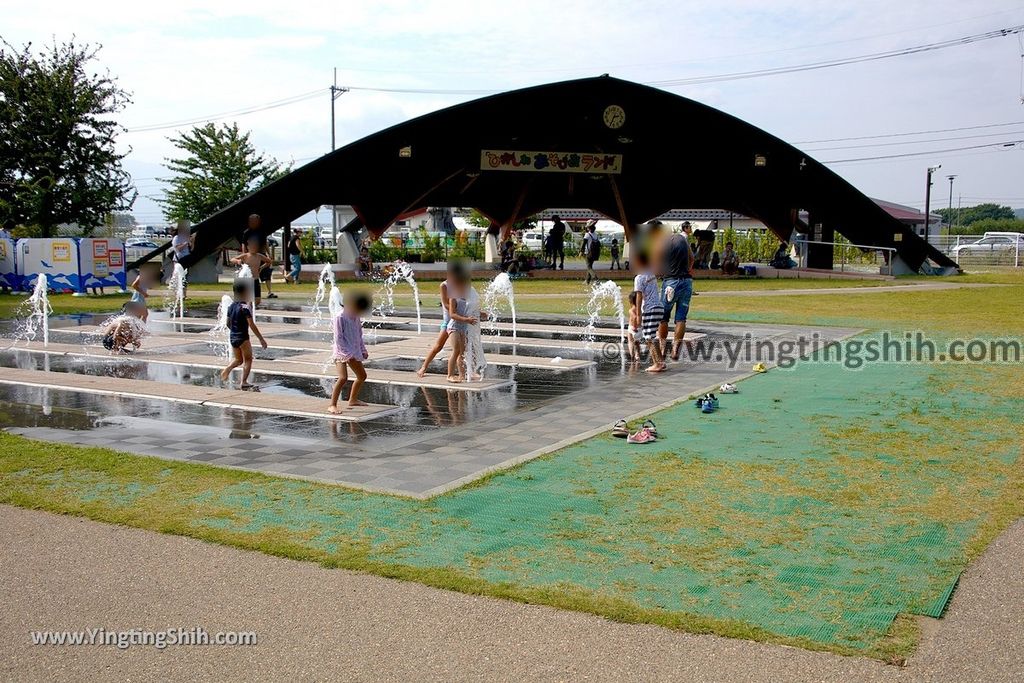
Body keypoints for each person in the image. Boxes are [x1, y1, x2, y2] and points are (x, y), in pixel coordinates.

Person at [653, 221, 694, 362]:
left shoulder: (661, 242)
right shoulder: (682, 239)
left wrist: (659, 273)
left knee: (663, 317)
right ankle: (675, 350)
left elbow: (656, 264)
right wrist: (686, 271)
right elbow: (692, 259)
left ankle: (663, 349)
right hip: (687, 282)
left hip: (670, 282)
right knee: (681, 318)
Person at [219, 279, 267, 390]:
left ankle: (227, 369)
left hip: (233, 337)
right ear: (245, 292)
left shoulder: (231, 306)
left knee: (239, 360)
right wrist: (261, 339)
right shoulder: (244, 308)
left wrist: (234, 330)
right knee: (248, 360)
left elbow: (227, 323)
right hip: (243, 338)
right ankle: (244, 382)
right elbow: (251, 324)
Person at [328, 290, 371, 413]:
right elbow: (338, 338)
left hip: (353, 352)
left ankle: (353, 399)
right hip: (341, 353)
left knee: (362, 376)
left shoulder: (356, 317)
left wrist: (363, 349)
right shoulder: (340, 317)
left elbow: (359, 335)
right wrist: (346, 355)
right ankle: (332, 405)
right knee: (343, 378)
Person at [417, 261, 459, 377]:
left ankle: (467, 372)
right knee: (438, 346)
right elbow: (445, 304)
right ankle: (424, 367)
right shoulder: (444, 285)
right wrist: (457, 311)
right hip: (449, 321)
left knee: (461, 348)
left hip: (459, 320)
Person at [633, 249, 666, 373]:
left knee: (649, 338)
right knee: (651, 336)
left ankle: (657, 364)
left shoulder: (639, 278)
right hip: (659, 307)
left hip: (650, 309)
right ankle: (661, 362)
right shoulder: (651, 273)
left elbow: (639, 296)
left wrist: (638, 315)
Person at [445, 269, 480, 383]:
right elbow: (452, 314)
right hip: (454, 327)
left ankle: (462, 375)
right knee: (456, 351)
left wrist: (480, 313)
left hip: (463, 327)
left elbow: (469, 310)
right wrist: (466, 319)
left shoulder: (467, 296)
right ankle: (449, 375)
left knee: (462, 352)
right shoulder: (453, 297)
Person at [230, 238, 272, 305]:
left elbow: (269, 261)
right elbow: (232, 259)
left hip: (255, 279)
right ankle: (244, 310)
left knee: (257, 300)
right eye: (252, 247)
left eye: (255, 247)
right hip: (245, 280)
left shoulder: (259, 256)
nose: (254, 248)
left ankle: (251, 310)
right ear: (248, 247)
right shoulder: (245, 255)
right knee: (243, 300)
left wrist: (261, 267)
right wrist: (237, 261)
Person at [627, 291, 641, 363]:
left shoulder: (631, 310)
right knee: (637, 343)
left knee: (630, 341)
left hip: (632, 328)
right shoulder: (640, 309)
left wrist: (634, 327)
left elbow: (635, 317)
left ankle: (632, 355)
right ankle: (637, 355)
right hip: (640, 329)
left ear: (631, 301)